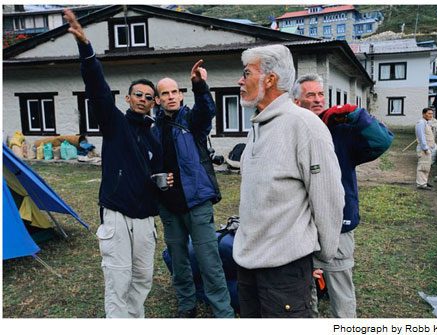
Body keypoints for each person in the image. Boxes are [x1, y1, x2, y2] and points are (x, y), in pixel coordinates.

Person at [64, 9, 172, 318]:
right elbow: (97, 90)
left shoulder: (154, 135)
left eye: (148, 97)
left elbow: (156, 174)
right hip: (117, 216)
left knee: (142, 280)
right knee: (118, 281)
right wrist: (87, 50)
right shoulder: (114, 124)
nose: (142, 99)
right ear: (127, 98)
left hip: (144, 220)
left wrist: (163, 182)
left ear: (154, 103)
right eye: (137, 94)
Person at [233, 45, 345, 318]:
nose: (240, 80)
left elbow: (328, 197)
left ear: (269, 80)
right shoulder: (258, 126)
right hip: (248, 264)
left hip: (285, 270)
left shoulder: (304, 125)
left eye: (246, 73)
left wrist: (321, 256)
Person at [292, 74, 394, 318]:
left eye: (320, 94)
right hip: (301, 222)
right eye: (310, 95)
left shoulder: (341, 130)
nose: (318, 100)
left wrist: (356, 115)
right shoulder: (292, 131)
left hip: (339, 222)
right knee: (305, 288)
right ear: (297, 102)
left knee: (340, 285)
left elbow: (383, 141)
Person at [151, 63, 234, 318]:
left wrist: (200, 85)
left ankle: (223, 313)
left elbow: (207, 109)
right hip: (169, 207)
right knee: (179, 261)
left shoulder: (192, 121)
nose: (171, 96)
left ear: (181, 94)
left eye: (175, 91)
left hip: (197, 202)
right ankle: (187, 306)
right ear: (157, 99)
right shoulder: (153, 129)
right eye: (165, 93)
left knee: (209, 262)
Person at [415, 107, 437, 190]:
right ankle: (421, 184)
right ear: (424, 114)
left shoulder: (426, 123)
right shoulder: (421, 123)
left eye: (432, 114)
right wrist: (425, 148)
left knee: (426, 166)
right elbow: (421, 137)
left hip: (428, 148)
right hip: (424, 149)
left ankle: (424, 181)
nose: (431, 115)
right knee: (423, 166)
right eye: (429, 113)